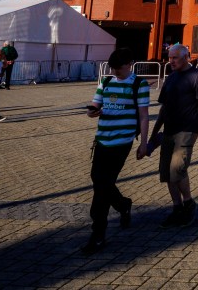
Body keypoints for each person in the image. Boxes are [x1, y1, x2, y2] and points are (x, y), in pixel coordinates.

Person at [80, 48, 150, 255]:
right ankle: (122, 204)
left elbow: (144, 116)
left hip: (122, 141)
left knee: (102, 185)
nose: (116, 72)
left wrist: (143, 143)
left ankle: (98, 234)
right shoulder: (107, 82)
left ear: (129, 64)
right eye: (113, 69)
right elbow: (94, 106)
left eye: (119, 69)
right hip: (102, 139)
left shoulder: (139, 84)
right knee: (98, 179)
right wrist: (92, 112)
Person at [151, 44, 198, 228]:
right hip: (169, 130)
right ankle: (177, 208)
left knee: (177, 170)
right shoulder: (170, 78)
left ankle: (188, 203)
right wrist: (154, 133)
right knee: (167, 174)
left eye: (175, 58)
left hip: (187, 130)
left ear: (186, 57)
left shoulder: (197, 76)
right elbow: (163, 108)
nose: (171, 61)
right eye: (169, 58)